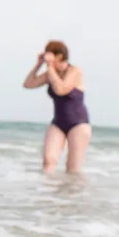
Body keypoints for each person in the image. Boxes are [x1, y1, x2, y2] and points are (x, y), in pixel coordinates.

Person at [22, 40, 91, 174]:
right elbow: (28, 84)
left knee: (72, 169)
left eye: (49, 55)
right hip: (58, 123)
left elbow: (61, 89)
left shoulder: (75, 71)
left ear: (59, 56)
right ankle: (48, 194)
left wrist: (49, 67)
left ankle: (72, 194)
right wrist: (39, 64)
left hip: (78, 124)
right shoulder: (50, 74)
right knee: (48, 162)